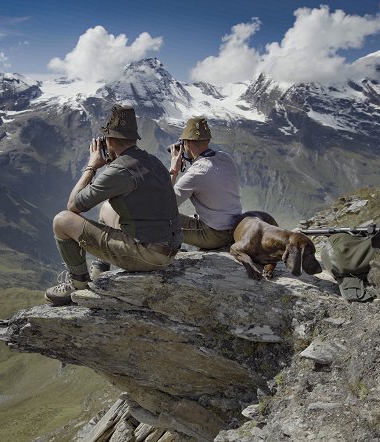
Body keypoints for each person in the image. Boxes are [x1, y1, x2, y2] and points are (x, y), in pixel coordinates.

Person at [45, 105, 183, 305]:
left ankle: (78, 283)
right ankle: (100, 271)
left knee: (62, 221)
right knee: (107, 208)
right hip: (169, 249)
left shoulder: (119, 170)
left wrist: (92, 165)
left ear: (109, 140)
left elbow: (74, 205)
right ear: (134, 139)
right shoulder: (153, 161)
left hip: (148, 256)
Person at [168, 116, 242, 250]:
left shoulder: (196, 172)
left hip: (214, 235)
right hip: (235, 228)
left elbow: (165, 205)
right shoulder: (225, 158)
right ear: (207, 140)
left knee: (159, 219)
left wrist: (174, 170)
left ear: (187, 144)